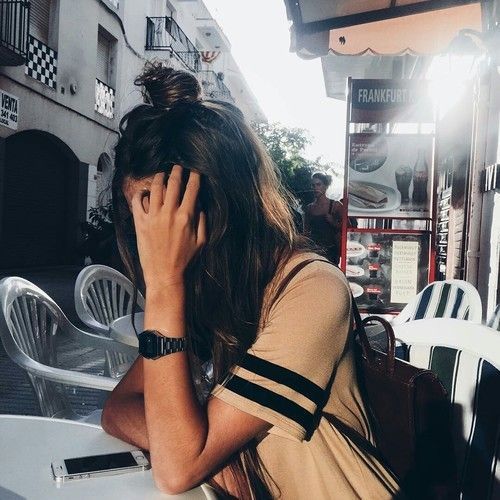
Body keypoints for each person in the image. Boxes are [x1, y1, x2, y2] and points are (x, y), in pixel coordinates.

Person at [101, 62, 401, 499]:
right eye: (138, 218)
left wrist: (164, 286)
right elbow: (118, 408)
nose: (147, 236)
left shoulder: (313, 289)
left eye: (159, 216)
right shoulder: (215, 287)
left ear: (217, 210)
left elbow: (177, 468)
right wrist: (212, 457)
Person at [304, 172, 343, 265]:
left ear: (325, 186)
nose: (315, 188)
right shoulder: (310, 208)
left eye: (318, 184)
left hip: (331, 251)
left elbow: (348, 227)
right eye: (313, 185)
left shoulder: (335, 205)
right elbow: (306, 231)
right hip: (314, 251)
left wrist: (333, 222)